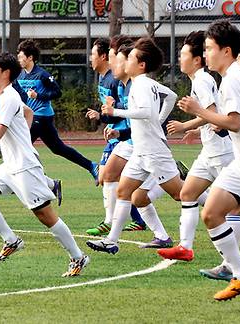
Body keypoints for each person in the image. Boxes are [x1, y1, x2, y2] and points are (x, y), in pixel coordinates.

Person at [0, 52, 90, 277]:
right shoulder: (2, 95)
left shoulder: (8, 97)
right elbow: (28, 111)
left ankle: (78, 257)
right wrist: (23, 135)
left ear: (5, 73)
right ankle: (11, 241)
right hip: (10, 166)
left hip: (24, 166)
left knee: (45, 216)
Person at [177, 20, 240, 301]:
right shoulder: (238, 74)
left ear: (226, 51)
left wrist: (199, 110)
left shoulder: (233, 79)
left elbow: (234, 123)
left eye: (210, 48)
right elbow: (233, 121)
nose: (206, 53)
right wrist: (214, 121)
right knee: (211, 212)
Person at [86, 38, 182, 254]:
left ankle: (229, 202)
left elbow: (145, 112)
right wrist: (158, 120)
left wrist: (115, 112)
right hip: (141, 151)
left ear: (141, 65)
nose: (124, 61)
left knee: (182, 194)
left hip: (154, 151)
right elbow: (172, 96)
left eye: (130, 58)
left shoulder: (140, 84)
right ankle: (112, 241)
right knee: (124, 191)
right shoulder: (144, 83)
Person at [157, 31, 233, 265]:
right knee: (187, 193)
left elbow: (211, 111)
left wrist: (185, 123)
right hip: (209, 151)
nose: (180, 59)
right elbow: (209, 114)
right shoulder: (200, 80)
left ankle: (230, 261)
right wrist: (193, 128)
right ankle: (185, 248)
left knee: (237, 203)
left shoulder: (201, 80)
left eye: (183, 55)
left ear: (197, 60)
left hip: (221, 152)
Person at [84, 36, 147, 235]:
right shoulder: (118, 82)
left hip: (135, 140)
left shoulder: (131, 84)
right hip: (123, 135)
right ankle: (117, 224)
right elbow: (119, 110)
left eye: (115, 58)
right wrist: (108, 118)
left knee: (119, 181)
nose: (113, 63)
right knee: (112, 178)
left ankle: (116, 224)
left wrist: (112, 115)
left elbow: (135, 111)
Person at [16, 39, 99, 184]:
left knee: (21, 146)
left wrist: (38, 96)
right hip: (30, 117)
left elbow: (57, 92)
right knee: (57, 148)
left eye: (21, 56)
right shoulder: (20, 75)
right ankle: (91, 165)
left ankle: (40, 181)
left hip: (41, 117)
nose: (19, 59)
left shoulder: (42, 75)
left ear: (30, 58)